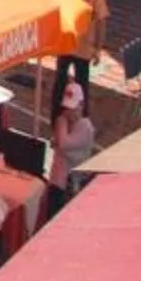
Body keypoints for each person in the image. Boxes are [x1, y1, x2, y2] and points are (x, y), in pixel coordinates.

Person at [48, 81, 99, 212]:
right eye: (66, 108)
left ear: (81, 106)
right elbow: (55, 143)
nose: (68, 113)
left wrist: (61, 122)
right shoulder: (69, 124)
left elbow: (63, 144)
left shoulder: (84, 127)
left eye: (72, 109)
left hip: (68, 186)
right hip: (57, 181)